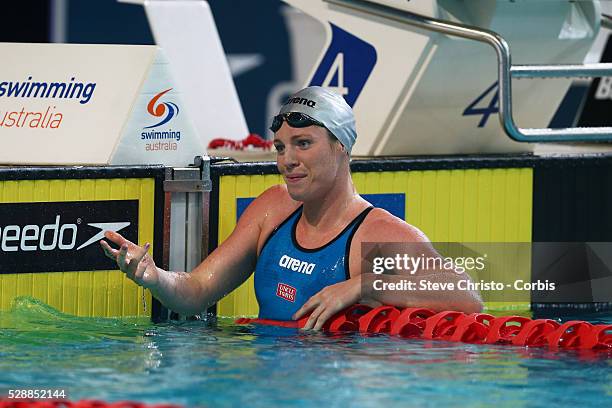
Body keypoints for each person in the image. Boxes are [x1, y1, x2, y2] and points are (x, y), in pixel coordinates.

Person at [101, 86, 483, 330]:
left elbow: (467, 297)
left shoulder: (378, 233)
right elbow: (197, 290)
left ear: (341, 147)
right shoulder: (272, 208)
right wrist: (153, 277)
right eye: (281, 147)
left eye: (303, 143)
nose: (287, 160)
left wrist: (363, 285)